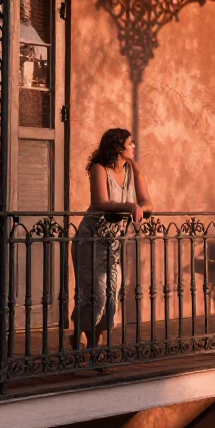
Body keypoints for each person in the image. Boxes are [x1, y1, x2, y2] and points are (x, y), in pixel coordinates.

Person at [72, 128, 152, 357]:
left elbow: (148, 201)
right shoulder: (99, 169)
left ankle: (89, 343)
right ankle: (88, 347)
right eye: (130, 143)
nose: (134, 146)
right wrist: (130, 206)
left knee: (111, 296)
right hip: (91, 240)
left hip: (113, 244)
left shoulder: (129, 171)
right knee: (95, 294)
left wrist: (137, 170)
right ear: (118, 147)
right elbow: (100, 202)